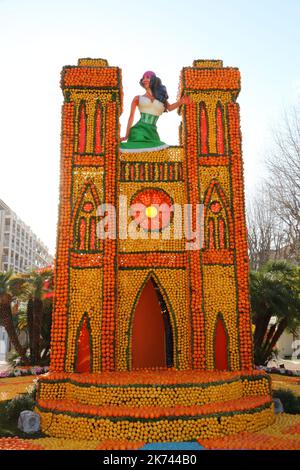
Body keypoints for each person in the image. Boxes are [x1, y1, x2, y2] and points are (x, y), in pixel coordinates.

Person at [120, 71, 190, 153]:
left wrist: (181, 102)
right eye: (143, 78)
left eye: (147, 77)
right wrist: (126, 135)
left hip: (152, 132)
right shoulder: (137, 98)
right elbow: (131, 117)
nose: (144, 80)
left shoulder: (161, 99)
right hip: (139, 131)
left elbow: (169, 108)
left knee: (159, 153)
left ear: (154, 80)